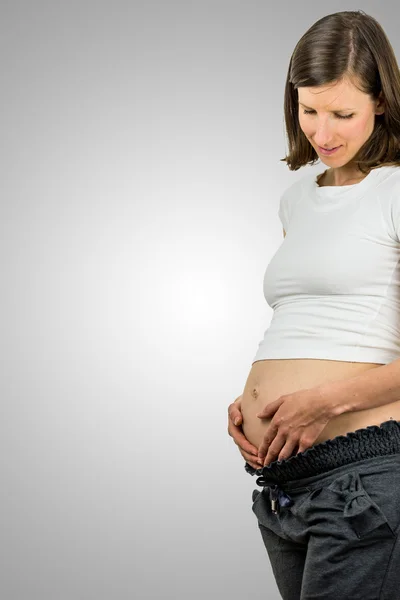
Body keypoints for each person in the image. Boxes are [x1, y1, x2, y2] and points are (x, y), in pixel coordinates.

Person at [227, 10, 400, 600]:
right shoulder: (297, 198)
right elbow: (308, 318)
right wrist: (250, 404)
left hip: (364, 478)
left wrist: (321, 402)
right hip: (281, 487)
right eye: (308, 110)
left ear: (381, 102)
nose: (321, 133)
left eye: (342, 114)